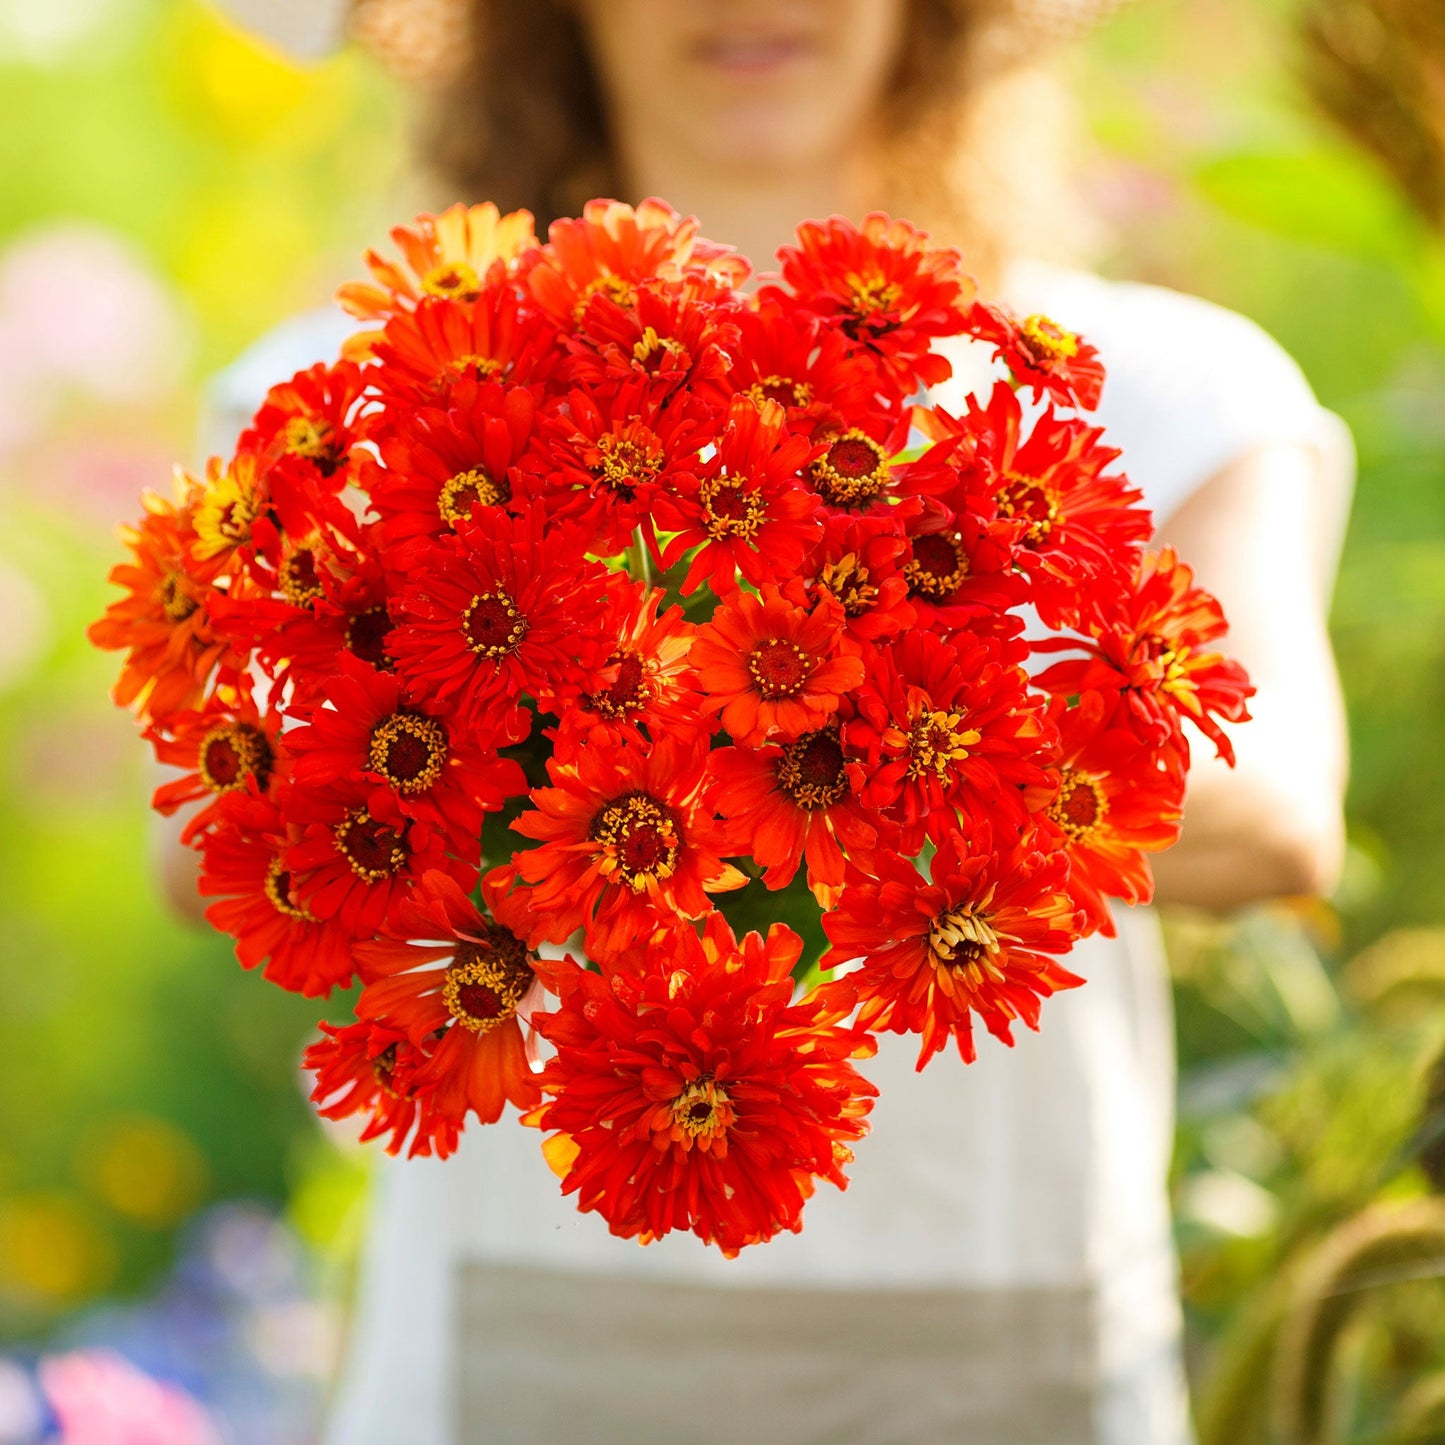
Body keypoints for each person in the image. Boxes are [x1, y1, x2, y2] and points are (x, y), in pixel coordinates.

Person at [200, 2, 1353, 1441]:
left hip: (1011, 1334)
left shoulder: (1160, 384)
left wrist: (728, 770)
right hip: (521, 1336)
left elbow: (1269, 809)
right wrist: (816, 759)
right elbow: (207, 839)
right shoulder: (361, 386)